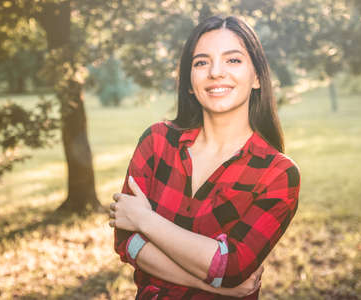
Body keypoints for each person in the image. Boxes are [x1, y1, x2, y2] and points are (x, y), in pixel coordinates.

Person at [109, 15, 300, 299]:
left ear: (257, 77)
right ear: (189, 82)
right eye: (201, 62)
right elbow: (128, 242)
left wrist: (144, 220)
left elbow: (231, 266)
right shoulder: (157, 142)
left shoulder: (277, 174)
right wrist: (209, 282)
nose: (215, 72)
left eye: (232, 60)